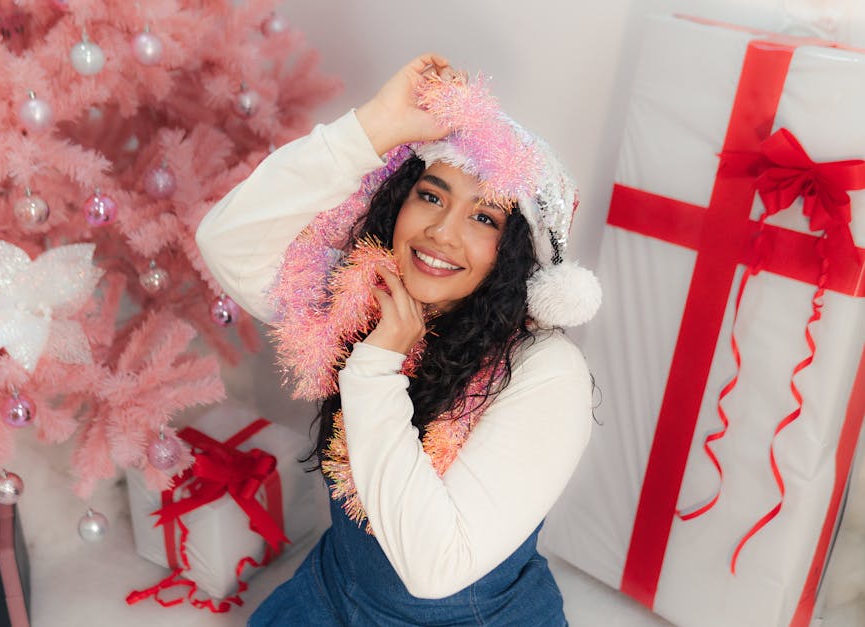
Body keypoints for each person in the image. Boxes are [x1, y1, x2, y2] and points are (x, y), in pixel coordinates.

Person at [196, 53, 601, 626]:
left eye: (484, 218)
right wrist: (375, 127)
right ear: (399, 201)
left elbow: (435, 568)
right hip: (333, 595)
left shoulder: (547, 371)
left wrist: (376, 365)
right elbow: (226, 241)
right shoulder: (364, 295)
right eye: (431, 196)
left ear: (514, 251)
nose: (441, 232)